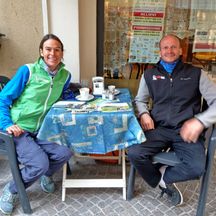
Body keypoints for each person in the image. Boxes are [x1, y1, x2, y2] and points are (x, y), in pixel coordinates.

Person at [128, 34, 216, 206]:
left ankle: (162, 175)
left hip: (186, 132)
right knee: (134, 153)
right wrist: (144, 113)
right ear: (159, 52)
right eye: (165, 47)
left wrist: (200, 121)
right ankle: (161, 182)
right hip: (159, 129)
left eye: (173, 47)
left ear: (181, 50)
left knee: (196, 167)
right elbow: (140, 100)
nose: (169, 51)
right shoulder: (149, 75)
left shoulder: (196, 74)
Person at [0, 34, 73, 215]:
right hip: (18, 129)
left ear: (62, 53)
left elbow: (63, 95)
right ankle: (11, 190)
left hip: (42, 129)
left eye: (57, 49)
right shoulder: (28, 71)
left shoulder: (65, 75)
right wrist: (7, 123)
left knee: (66, 152)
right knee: (39, 163)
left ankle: (46, 175)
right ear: (41, 52)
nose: (52, 53)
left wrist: (81, 97)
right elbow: (3, 98)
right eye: (48, 49)